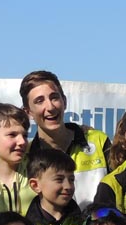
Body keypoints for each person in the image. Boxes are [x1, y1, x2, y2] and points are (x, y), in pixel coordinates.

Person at [19, 70, 110, 206]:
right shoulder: (25, 156)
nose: (50, 107)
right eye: (39, 101)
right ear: (28, 112)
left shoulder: (98, 141)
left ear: (65, 101)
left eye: (54, 97)